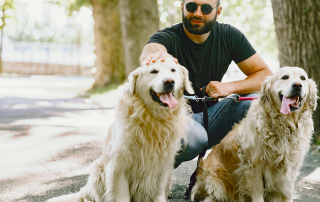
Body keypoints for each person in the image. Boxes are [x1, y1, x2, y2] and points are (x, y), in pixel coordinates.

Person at [139, 0, 273, 168]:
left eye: (206, 8)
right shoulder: (168, 37)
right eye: (192, 6)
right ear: (182, 7)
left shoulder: (229, 36)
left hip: (212, 116)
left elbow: (266, 75)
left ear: (218, 11)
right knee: (196, 137)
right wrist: (159, 57)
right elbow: (151, 50)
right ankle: (147, 178)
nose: (197, 13)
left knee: (255, 104)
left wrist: (229, 87)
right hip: (174, 119)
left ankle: (242, 177)